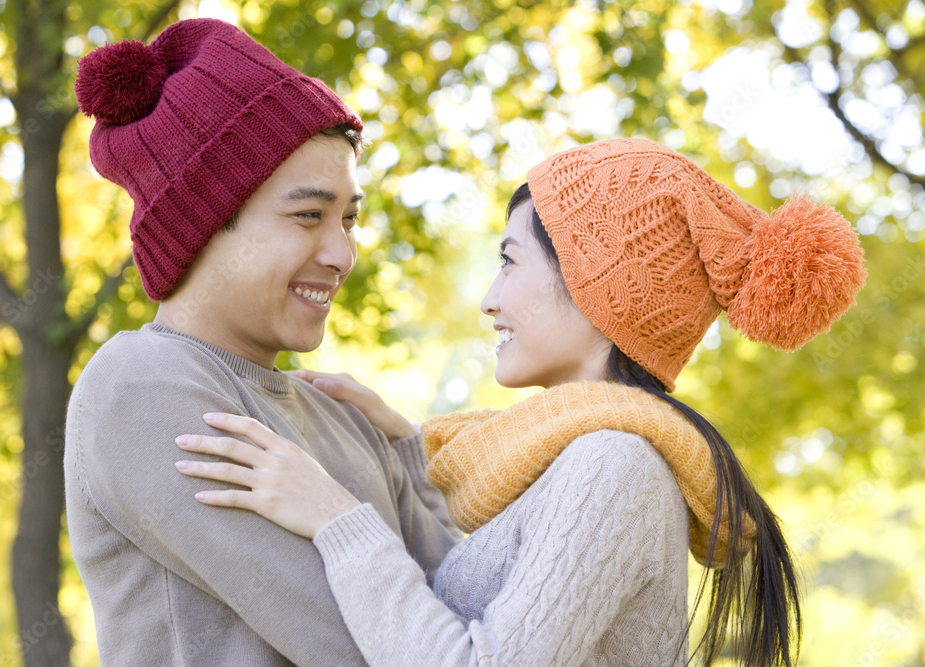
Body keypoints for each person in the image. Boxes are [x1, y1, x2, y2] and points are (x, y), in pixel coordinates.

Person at [174, 138, 867, 665]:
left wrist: (337, 519)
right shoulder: (582, 457)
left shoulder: (614, 466)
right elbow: (462, 597)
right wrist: (410, 455)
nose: (489, 299)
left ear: (600, 289)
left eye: (509, 260)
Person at [64, 18, 461, 666]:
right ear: (201, 223)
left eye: (350, 218)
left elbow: (480, 624)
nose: (341, 252)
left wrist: (415, 457)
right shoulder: (140, 384)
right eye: (309, 214)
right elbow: (371, 648)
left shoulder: (347, 416)